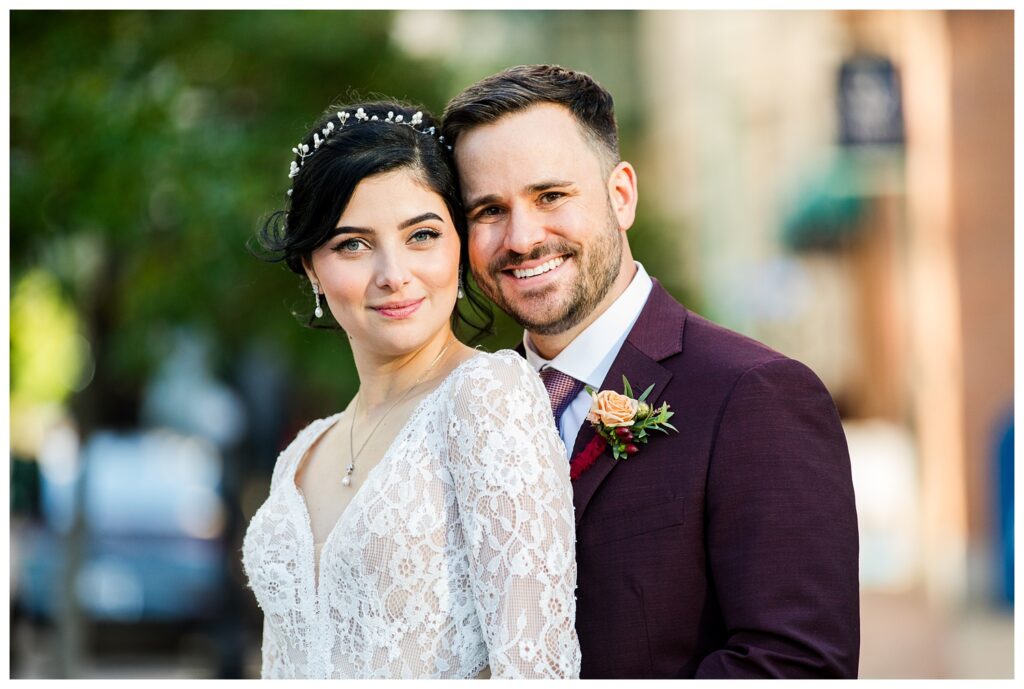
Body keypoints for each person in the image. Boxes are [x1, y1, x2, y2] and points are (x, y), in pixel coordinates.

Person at [442, 64, 860, 679]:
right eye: (488, 210)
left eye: (550, 196)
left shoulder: (755, 394)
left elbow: (797, 663)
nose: (522, 237)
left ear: (621, 195)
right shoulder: (467, 414)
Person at [242, 100, 581, 679]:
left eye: (421, 235)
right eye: (353, 244)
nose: (393, 274)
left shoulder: (486, 397)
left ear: (458, 243)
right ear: (311, 268)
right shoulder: (303, 454)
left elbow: (535, 667)